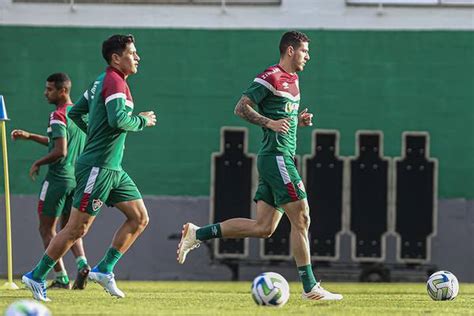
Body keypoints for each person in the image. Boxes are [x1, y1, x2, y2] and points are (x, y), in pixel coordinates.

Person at [177, 31, 343, 301]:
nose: (307, 56)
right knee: (302, 217)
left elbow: (280, 115)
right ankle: (310, 287)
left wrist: (297, 120)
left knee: (264, 227)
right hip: (277, 158)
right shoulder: (270, 76)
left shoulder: (294, 80)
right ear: (290, 50)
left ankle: (198, 233)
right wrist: (269, 123)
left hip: (276, 158)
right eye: (304, 51)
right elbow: (241, 108)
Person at [22, 34, 156, 302]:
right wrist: (141, 121)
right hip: (98, 167)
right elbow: (118, 119)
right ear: (116, 58)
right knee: (75, 229)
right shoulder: (114, 82)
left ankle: (104, 269)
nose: (137, 57)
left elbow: (75, 113)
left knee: (140, 218)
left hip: (113, 168)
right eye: (132, 53)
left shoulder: (101, 81)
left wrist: (95, 133)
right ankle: (35, 277)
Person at [11, 73, 90, 290]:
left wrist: (38, 162)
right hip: (77, 180)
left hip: (58, 179)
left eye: (49, 89)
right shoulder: (79, 114)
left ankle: (61, 276)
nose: (45, 93)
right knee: (70, 228)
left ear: (62, 91)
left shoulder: (57, 115)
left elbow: (59, 150)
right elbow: (58, 142)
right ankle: (82, 264)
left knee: (47, 230)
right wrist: (30, 136)